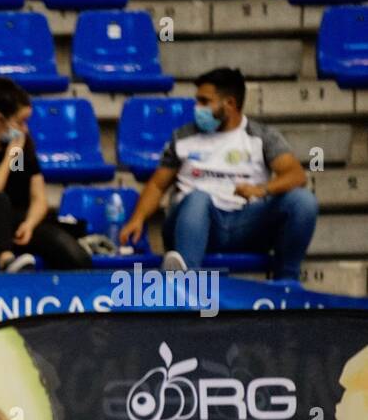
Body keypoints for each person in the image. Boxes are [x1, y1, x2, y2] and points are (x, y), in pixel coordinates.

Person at [118, 67, 318, 281]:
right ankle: (186, 282)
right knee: (198, 197)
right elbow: (158, 185)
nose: (197, 108)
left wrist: (262, 190)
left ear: (230, 104)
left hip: (246, 224)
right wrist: (137, 219)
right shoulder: (184, 137)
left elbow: (296, 176)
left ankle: (287, 283)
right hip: (194, 225)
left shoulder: (262, 137)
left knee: (303, 201)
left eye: (204, 102)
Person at [0, 77, 93, 272]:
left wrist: (29, 225)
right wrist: (10, 156)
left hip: (16, 227)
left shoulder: (22, 150)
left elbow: (38, 198)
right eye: (21, 122)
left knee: (68, 250)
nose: (25, 129)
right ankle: (6, 260)